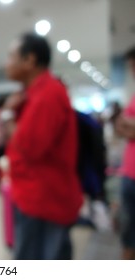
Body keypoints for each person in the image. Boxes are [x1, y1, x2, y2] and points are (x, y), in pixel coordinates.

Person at [3, 32, 83, 259]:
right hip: (34, 196)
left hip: (44, 201)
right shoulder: (32, 94)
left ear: (29, 60)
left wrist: (9, 115)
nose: (6, 63)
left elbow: (29, 147)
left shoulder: (47, 94)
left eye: (11, 56)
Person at [115, 46, 135, 260]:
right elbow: (121, 126)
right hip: (129, 173)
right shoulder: (133, 98)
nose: (132, 70)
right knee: (128, 229)